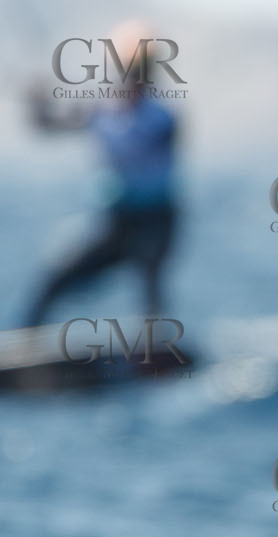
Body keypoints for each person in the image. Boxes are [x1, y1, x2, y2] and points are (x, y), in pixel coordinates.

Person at [21, 21, 180, 329]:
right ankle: (22, 345)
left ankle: (157, 347)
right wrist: (36, 103)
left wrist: (108, 120)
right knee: (53, 280)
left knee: (151, 291)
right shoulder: (102, 111)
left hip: (156, 222)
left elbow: (143, 142)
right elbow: (48, 126)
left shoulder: (162, 118)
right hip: (116, 223)